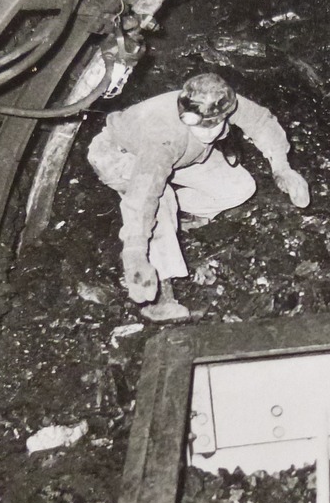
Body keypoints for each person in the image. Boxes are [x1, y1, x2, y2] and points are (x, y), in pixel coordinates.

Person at [87, 73, 310, 322]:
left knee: (240, 187)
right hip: (119, 155)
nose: (208, 133)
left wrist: (282, 168)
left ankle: (182, 216)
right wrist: (135, 253)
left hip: (184, 154)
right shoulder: (163, 137)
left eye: (214, 126)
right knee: (159, 201)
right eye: (200, 127)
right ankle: (160, 299)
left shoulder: (218, 100)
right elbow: (144, 193)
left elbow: (259, 121)